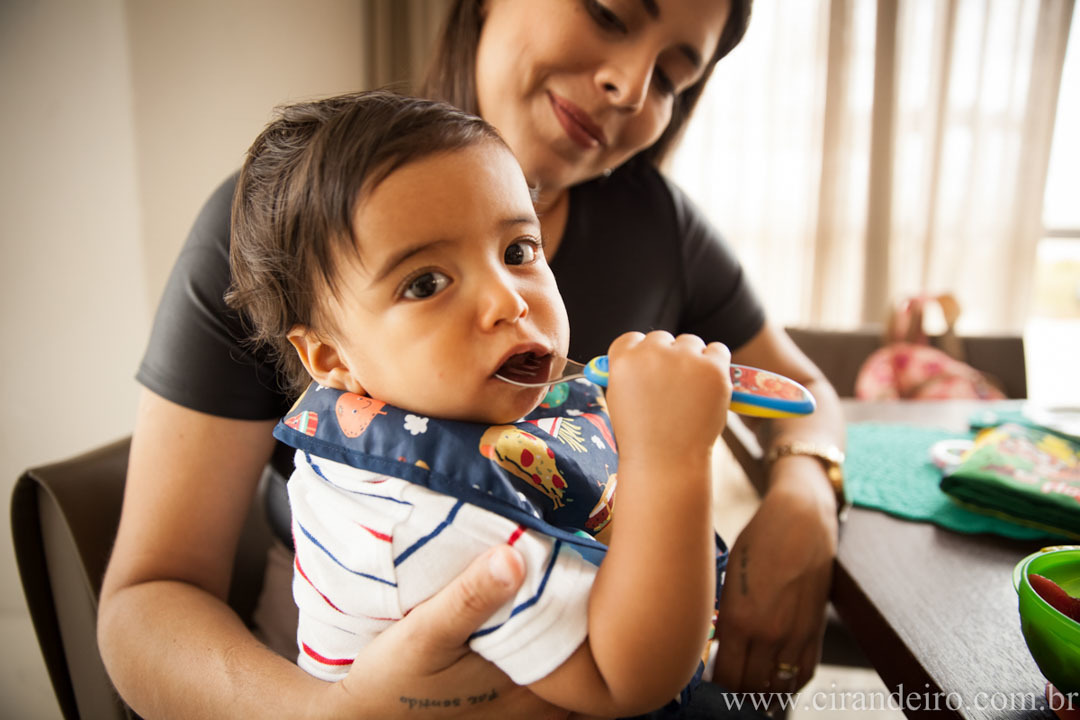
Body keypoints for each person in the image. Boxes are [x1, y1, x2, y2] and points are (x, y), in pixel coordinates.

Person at [99, 0, 844, 717]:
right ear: (327, 356)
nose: (630, 85)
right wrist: (330, 716)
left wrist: (805, 496)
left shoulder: (660, 222)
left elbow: (801, 386)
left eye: (673, 76)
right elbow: (634, 673)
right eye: (609, 13)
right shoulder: (297, 235)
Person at [228, 89, 733, 718]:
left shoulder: (414, 410)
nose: (508, 301)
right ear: (331, 358)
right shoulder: (423, 511)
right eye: (426, 283)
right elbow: (627, 678)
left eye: (518, 251)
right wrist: (671, 457)